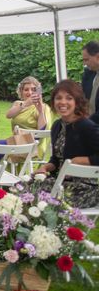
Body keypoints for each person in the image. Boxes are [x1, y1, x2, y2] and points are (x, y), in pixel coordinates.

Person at [35, 79, 99, 208]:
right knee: (24, 187)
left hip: (84, 189)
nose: (63, 102)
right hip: (59, 182)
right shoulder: (57, 126)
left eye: (69, 98)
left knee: (39, 197)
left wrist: (80, 160)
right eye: (58, 98)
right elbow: (56, 160)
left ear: (77, 102)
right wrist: (45, 168)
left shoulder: (87, 126)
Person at [5, 76, 52, 157]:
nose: (30, 93)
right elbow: (8, 115)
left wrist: (40, 111)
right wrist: (25, 104)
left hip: (33, 146)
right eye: (26, 90)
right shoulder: (18, 104)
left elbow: (42, 131)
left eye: (33, 90)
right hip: (16, 142)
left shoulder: (44, 107)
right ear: (21, 91)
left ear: (38, 92)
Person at [81, 41, 99, 123]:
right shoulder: (88, 75)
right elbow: (83, 98)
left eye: (86, 60)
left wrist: (87, 122)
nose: (84, 63)